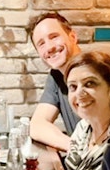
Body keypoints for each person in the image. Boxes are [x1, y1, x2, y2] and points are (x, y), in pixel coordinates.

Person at [27, 11, 82, 152]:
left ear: (73, 37)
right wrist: (76, 148)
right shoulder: (56, 77)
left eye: (54, 37)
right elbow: (37, 125)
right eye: (41, 44)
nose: (49, 47)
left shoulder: (97, 72)